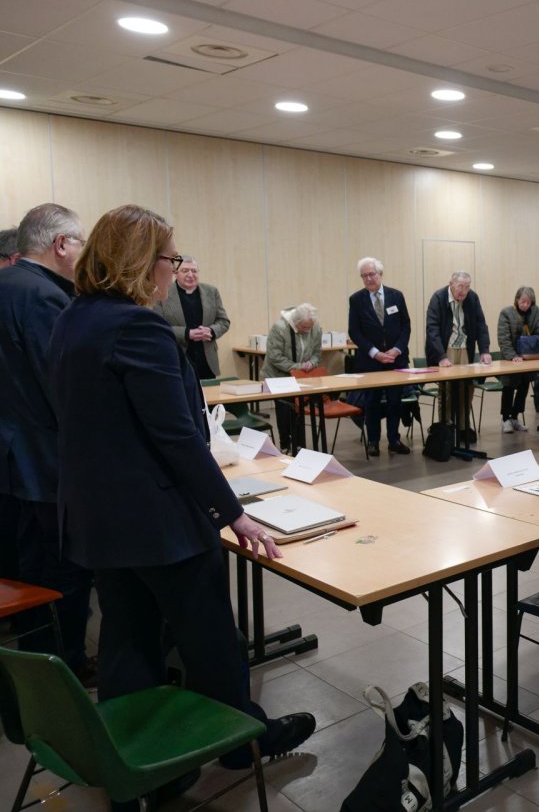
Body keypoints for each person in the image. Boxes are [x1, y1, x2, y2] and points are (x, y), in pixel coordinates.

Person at [48, 204, 315, 775]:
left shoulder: (73, 318)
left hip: (99, 517)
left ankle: (141, 758)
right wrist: (231, 511)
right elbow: (174, 437)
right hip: (159, 520)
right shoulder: (137, 326)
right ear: (145, 263)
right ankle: (241, 743)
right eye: (170, 259)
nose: (174, 270)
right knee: (211, 639)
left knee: (127, 639)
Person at [0, 203, 93, 678]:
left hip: (15, 458)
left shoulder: (7, 285)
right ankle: (64, 673)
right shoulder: (44, 297)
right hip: (47, 462)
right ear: (61, 245)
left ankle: (33, 671)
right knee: (63, 574)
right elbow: (61, 387)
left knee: (28, 570)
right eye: (81, 244)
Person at [347, 257, 412, 456]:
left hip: (396, 360)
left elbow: (406, 326)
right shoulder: (356, 300)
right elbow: (354, 332)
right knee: (372, 402)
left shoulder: (396, 296)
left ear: (380, 274)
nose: (368, 279)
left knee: (394, 401)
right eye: (364, 276)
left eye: (371, 274)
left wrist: (397, 349)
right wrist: (375, 353)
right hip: (370, 362)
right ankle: (373, 441)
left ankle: (394, 439)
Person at [426, 271, 491, 443]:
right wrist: (441, 356)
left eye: (467, 287)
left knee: (466, 389)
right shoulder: (438, 298)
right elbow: (432, 329)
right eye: (460, 286)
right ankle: (446, 428)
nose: (463, 291)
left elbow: (480, 325)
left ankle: (462, 428)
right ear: (451, 284)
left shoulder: (472, 298)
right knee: (446, 391)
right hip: (445, 349)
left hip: (464, 349)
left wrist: (484, 350)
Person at [154, 255, 230, 379]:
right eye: (185, 271)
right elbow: (158, 327)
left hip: (206, 361)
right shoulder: (162, 292)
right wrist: (186, 333)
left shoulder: (212, 291)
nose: (190, 275)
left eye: (194, 271)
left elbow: (224, 321)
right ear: (176, 272)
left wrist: (211, 331)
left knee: (209, 397)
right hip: (176, 359)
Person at [263, 303, 323, 453]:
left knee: (299, 410)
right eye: (304, 327)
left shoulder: (315, 327)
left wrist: (312, 363)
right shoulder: (280, 328)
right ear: (295, 323)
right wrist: (298, 367)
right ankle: (285, 445)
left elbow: (317, 352)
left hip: (301, 377)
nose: (307, 330)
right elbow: (275, 357)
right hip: (279, 376)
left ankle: (299, 445)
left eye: (310, 327)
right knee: (284, 411)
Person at [496, 286, 539, 433]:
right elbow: (503, 338)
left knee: (524, 387)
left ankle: (515, 417)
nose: (524, 305)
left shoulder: (535, 312)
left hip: (529, 359)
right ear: (517, 299)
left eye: (528, 302)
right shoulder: (506, 313)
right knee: (509, 387)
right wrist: (513, 356)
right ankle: (505, 419)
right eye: (522, 301)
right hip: (511, 359)